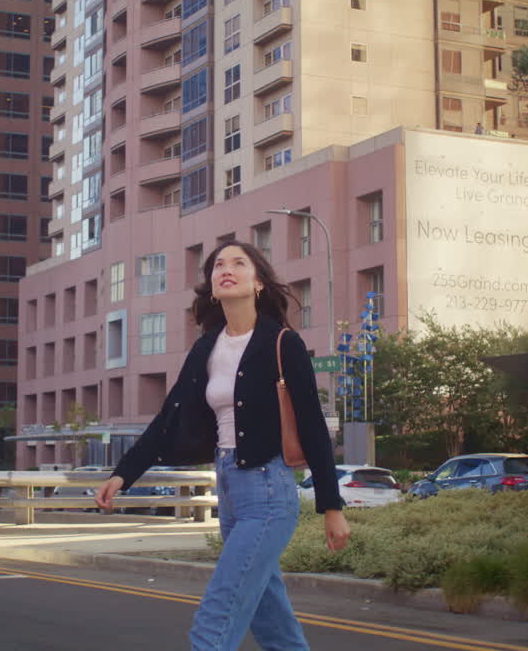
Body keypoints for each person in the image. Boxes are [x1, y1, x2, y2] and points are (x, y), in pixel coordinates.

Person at [96, 240, 350, 651]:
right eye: (218, 265)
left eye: (238, 263)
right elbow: (168, 419)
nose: (225, 269)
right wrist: (123, 474)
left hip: (269, 491)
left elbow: (313, 428)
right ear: (212, 286)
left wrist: (331, 507)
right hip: (229, 489)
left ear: (258, 282)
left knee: (217, 615)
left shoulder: (283, 343)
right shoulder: (207, 347)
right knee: (272, 621)